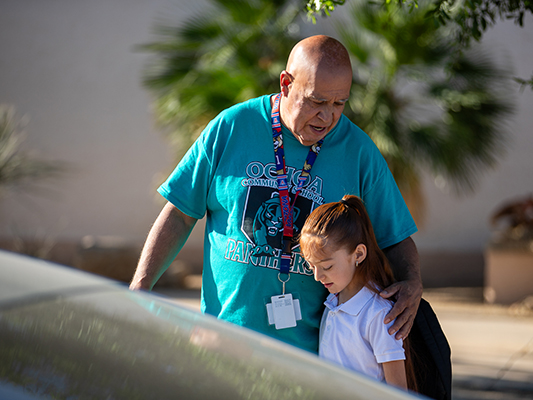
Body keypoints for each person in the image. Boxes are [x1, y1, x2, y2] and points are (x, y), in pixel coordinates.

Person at [130, 35, 422, 354]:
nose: (328, 117)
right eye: (317, 101)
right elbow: (180, 213)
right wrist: (141, 285)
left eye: (339, 103)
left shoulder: (359, 152)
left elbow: (395, 238)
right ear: (286, 84)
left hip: (310, 356)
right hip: (221, 344)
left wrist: (411, 282)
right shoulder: (232, 127)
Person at [299, 195, 417, 391]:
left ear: (359, 254)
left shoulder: (379, 315)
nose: (317, 276)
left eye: (327, 266)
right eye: (311, 266)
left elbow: (399, 392)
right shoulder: (331, 303)